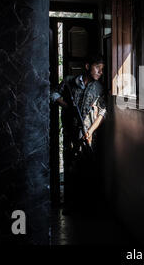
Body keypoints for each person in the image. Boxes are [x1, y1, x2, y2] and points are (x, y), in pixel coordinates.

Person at [51, 54, 107, 212]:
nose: (100, 72)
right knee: (69, 165)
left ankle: (86, 205)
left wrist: (90, 131)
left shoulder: (98, 87)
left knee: (86, 167)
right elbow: (54, 94)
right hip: (70, 130)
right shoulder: (70, 81)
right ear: (88, 66)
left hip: (87, 134)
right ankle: (70, 204)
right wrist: (66, 104)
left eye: (102, 69)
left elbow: (103, 112)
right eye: (98, 68)